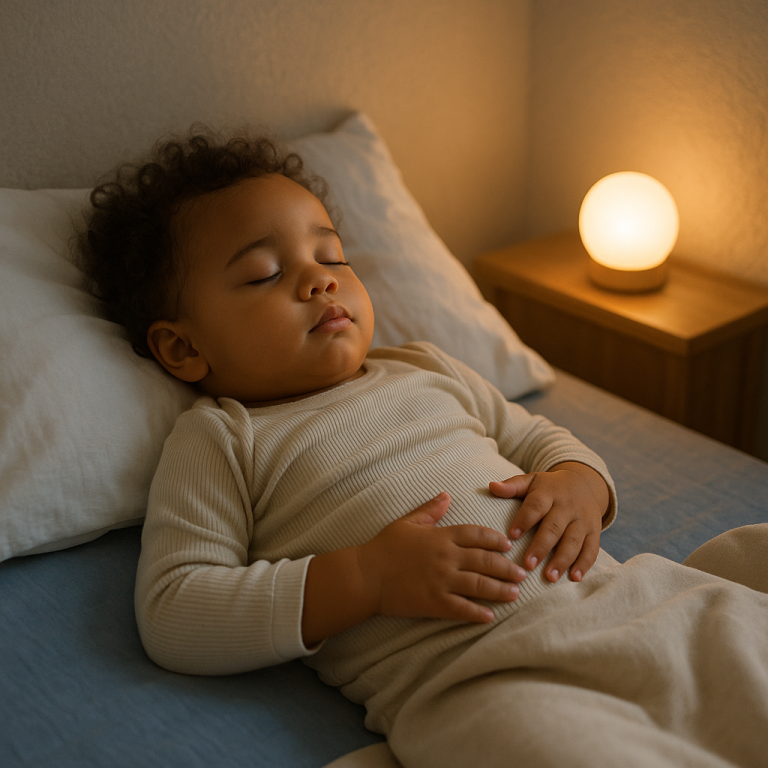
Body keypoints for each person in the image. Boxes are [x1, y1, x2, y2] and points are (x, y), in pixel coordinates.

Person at [78, 130, 768, 768]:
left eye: (332, 256)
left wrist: (579, 480)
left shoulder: (422, 367)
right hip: (487, 678)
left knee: (736, 620)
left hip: (626, 603)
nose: (320, 279)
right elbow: (175, 609)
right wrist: (366, 578)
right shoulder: (223, 438)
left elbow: (538, 439)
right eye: (262, 273)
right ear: (182, 346)